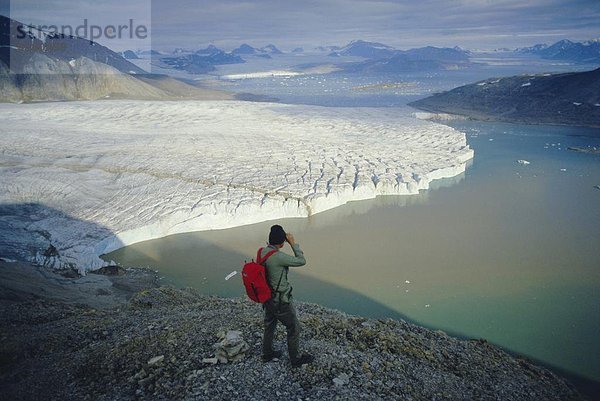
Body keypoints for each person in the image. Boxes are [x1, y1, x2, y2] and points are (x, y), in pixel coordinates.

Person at [260, 224, 314, 367]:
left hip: (267, 298)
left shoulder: (262, 252)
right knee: (293, 327)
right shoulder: (278, 256)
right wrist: (293, 244)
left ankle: (267, 353)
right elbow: (302, 261)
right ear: (282, 243)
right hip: (281, 300)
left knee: (270, 325)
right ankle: (295, 359)